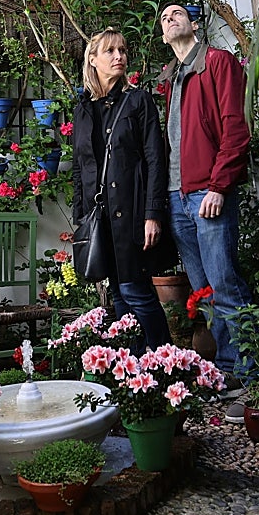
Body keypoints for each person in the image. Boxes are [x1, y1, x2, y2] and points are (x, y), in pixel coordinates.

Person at [157, 3, 254, 421]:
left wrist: (220, 184)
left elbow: (236, 125)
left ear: (193, 23)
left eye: (176, 13)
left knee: (225, 283)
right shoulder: (172, 78)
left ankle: (249, 375)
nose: (169, 19)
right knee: (205, 292)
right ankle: (226, 371)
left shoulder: (218, 62)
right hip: (177, 197)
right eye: (163, 18)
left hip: (207, 194)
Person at [71, 28, 171, 348]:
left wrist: (152, 214)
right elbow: (80, 166)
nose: (119, 57)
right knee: (119, 297)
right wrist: (81, 219)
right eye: (110, 51)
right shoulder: (83, 109)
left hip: (132, 213)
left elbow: (157, 159)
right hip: (100, 220)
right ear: (93, 59)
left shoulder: (138, 101)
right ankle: (136, 368)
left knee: (135, 292)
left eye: (123, 51)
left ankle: (164, 360)